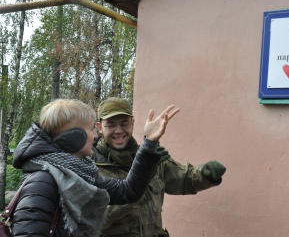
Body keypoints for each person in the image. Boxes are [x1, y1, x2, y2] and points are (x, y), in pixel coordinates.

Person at [11, 98, 180, 237]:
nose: (96, 134)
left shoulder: (81, 174)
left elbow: (128, 191)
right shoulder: (42, 182)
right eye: (91, 128)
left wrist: (149, 143)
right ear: (74, 137)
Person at [92, 97, 226, 237]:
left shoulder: (152, 157)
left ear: (132, 123)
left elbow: (184, 179)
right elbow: (94, 220)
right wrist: (138, 184)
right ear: (100, 127)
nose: (118, 131)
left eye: (124, 123)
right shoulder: (89, 167)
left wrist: (205, 174)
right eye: (111, 125)